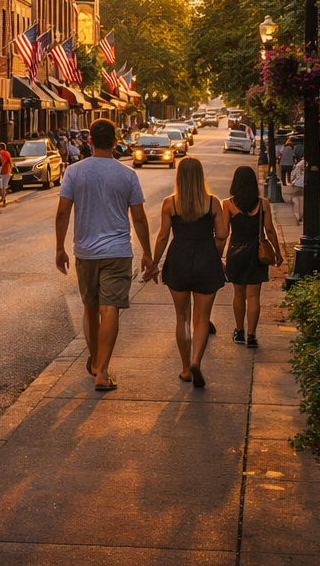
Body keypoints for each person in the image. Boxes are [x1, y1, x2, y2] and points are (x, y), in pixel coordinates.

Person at [54, 120, 153, 392]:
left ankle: (96, 363)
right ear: (115, 141)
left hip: (85, 252)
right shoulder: (127, 175)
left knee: (90, 308)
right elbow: (140, 218)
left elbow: (63, 212)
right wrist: (148, 253)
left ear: (91, 140)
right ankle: (103, 372)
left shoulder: (74, 172)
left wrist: (60, 247)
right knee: (111, 309)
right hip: (118, 251)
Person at [150, 158, 230, 389]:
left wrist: (154, 263)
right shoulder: (213, 203)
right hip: (206, 258)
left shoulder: (170, 203)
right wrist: (213, 253)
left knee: (182, 318)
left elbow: (163, 237)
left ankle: (186, 369)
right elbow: (222, 234)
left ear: (179, 177)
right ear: (200, 176)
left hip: (178, 260)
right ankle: (197, 361)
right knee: (202, 318)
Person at [223, 166, 281, 348]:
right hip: (256, 252)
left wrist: (219, 255)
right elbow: (269, 229)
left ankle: (239, 332)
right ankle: (252, 336)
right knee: (254, 296)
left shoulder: (228, 204)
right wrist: (277, 252)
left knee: (238, 294)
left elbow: (223, 232)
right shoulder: (263, 204)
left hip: (236, 251)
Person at [0, 143, 13, 208]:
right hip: (7, 171)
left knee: (1, 186)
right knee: (4, 185)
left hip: (1, 172)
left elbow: (1, 162)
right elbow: (10, 162)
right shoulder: (7, 153)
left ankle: (3, 196)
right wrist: (11, 169)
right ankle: (3, 196)